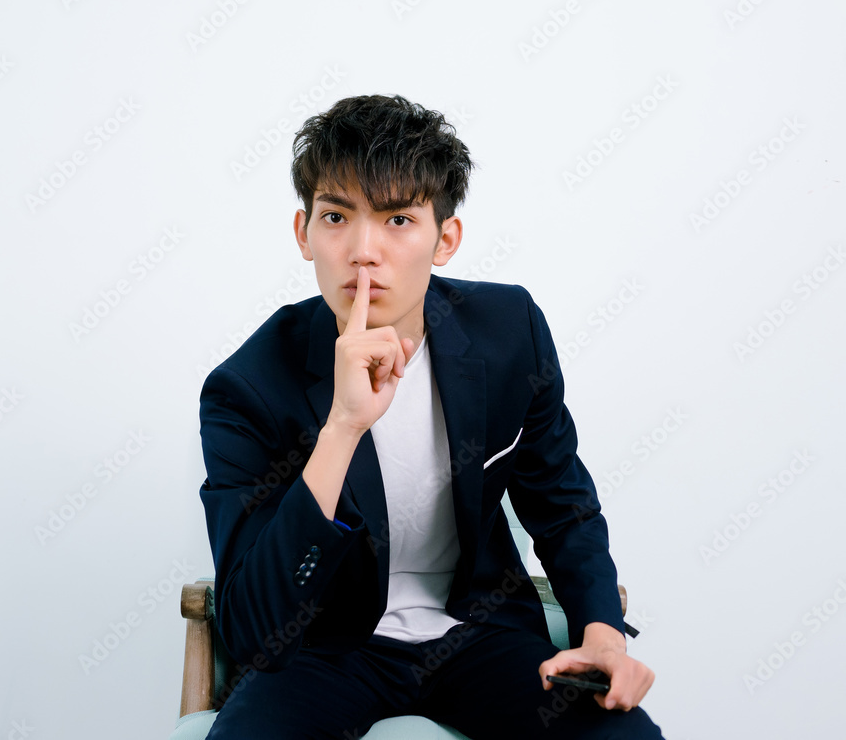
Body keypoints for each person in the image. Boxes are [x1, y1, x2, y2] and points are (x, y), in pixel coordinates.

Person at [197, 94, 664, 739]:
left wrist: (602, 634)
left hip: (476, 632)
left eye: (397, 221)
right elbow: (252, 626)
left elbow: (561, 500)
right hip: (324, 648)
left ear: (446, 239)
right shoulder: (246, 388)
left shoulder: (508, 332)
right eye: (336, 216)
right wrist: (342, 427)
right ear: (304, 233)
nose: (363, 251)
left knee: (624, 737)